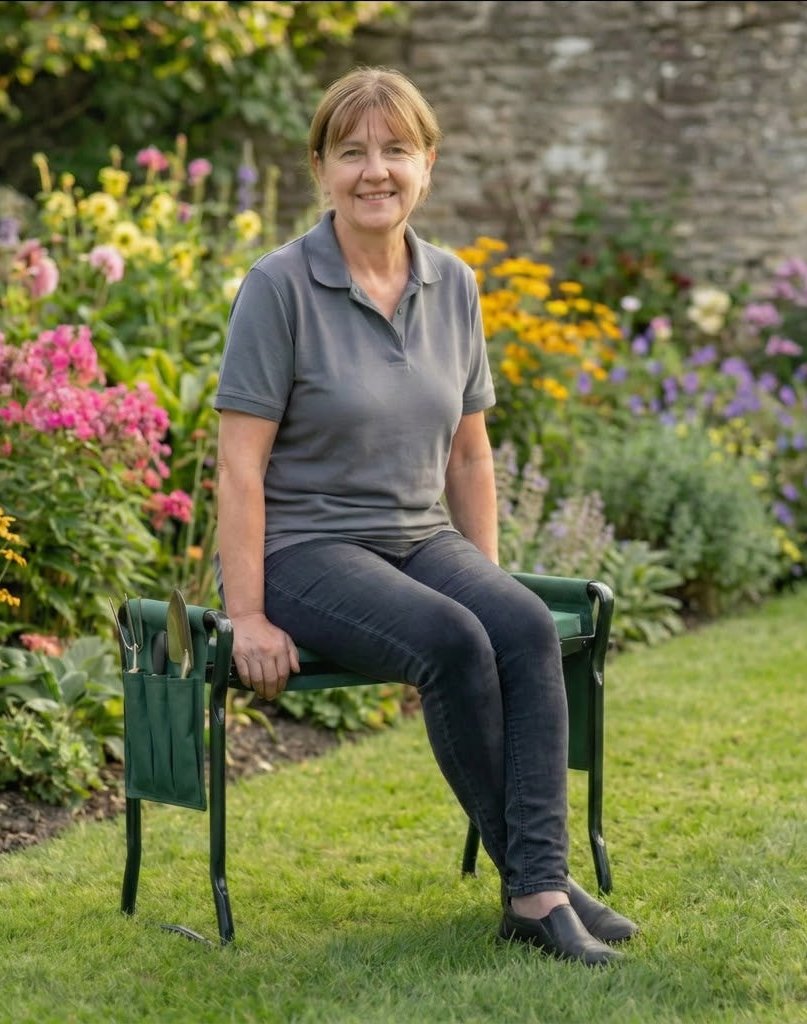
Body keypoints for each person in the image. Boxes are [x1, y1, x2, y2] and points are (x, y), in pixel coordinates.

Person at [213, 66, 638, 967]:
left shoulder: (454, 284)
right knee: (450, 641)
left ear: (428, 165)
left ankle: (541, 878)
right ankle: (537, 892)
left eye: (396, 150)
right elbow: (240, 466)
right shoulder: (278, 288)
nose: (377, 171)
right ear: (321, 167)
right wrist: (246, 612)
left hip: (417, 536)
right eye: (353, 151)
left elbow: (469, 452)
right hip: (308, 549)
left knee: (518, 623)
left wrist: (486, 576)